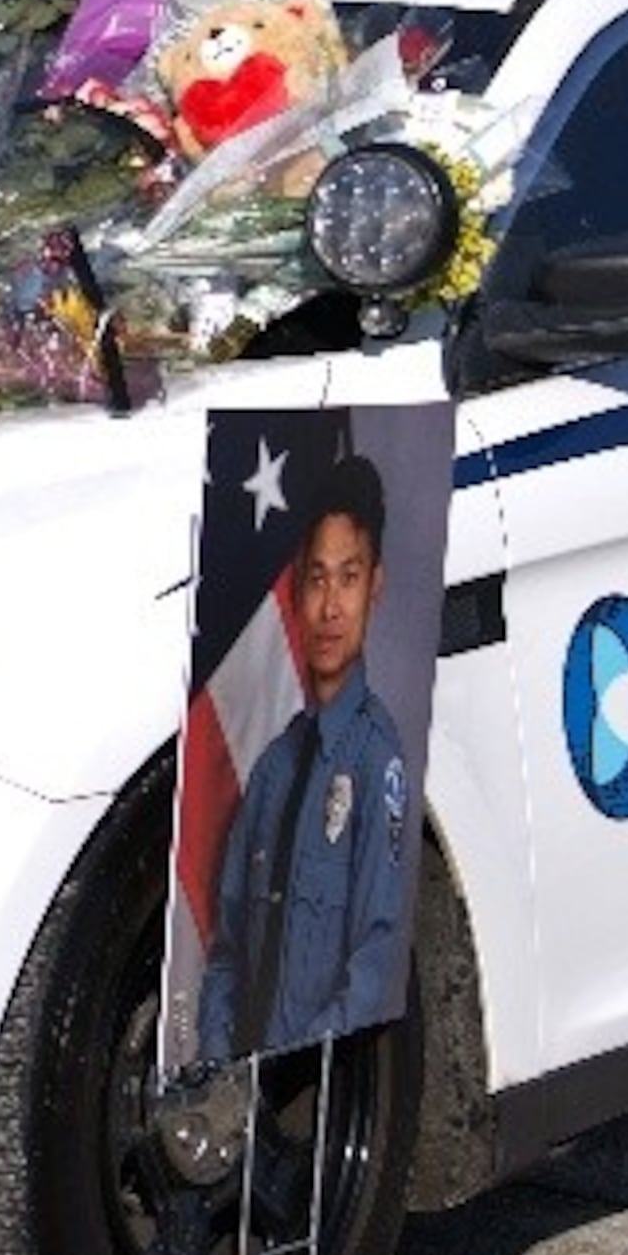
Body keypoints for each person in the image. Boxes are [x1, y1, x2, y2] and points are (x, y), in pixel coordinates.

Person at [198, 452, 415, 1063]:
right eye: (317, 579)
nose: (330, 609)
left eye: (348, 578)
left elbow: (376, 962)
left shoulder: (380, 763)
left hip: (316, 1092)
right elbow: (227, 953)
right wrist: (221, 1063)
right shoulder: (272, 772)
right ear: (296, 588)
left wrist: (289, 1078)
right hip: (242, 1094)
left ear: (376, 585)